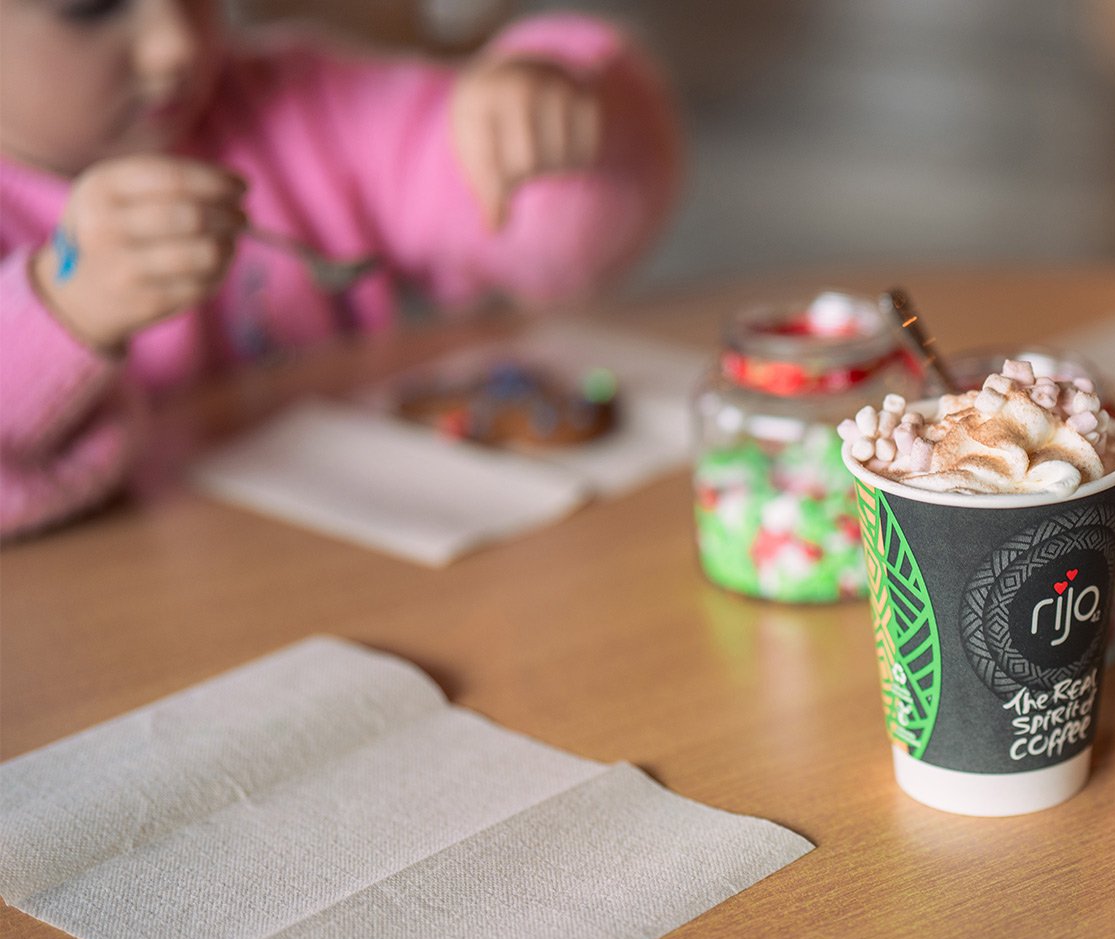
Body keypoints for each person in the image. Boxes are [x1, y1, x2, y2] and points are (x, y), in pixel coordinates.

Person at [0, 0, 681, 538]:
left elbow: (543, 241)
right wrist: (62, 309)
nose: (172, 43)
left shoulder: (302, 103)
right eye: (89, 6)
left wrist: (550, 111)